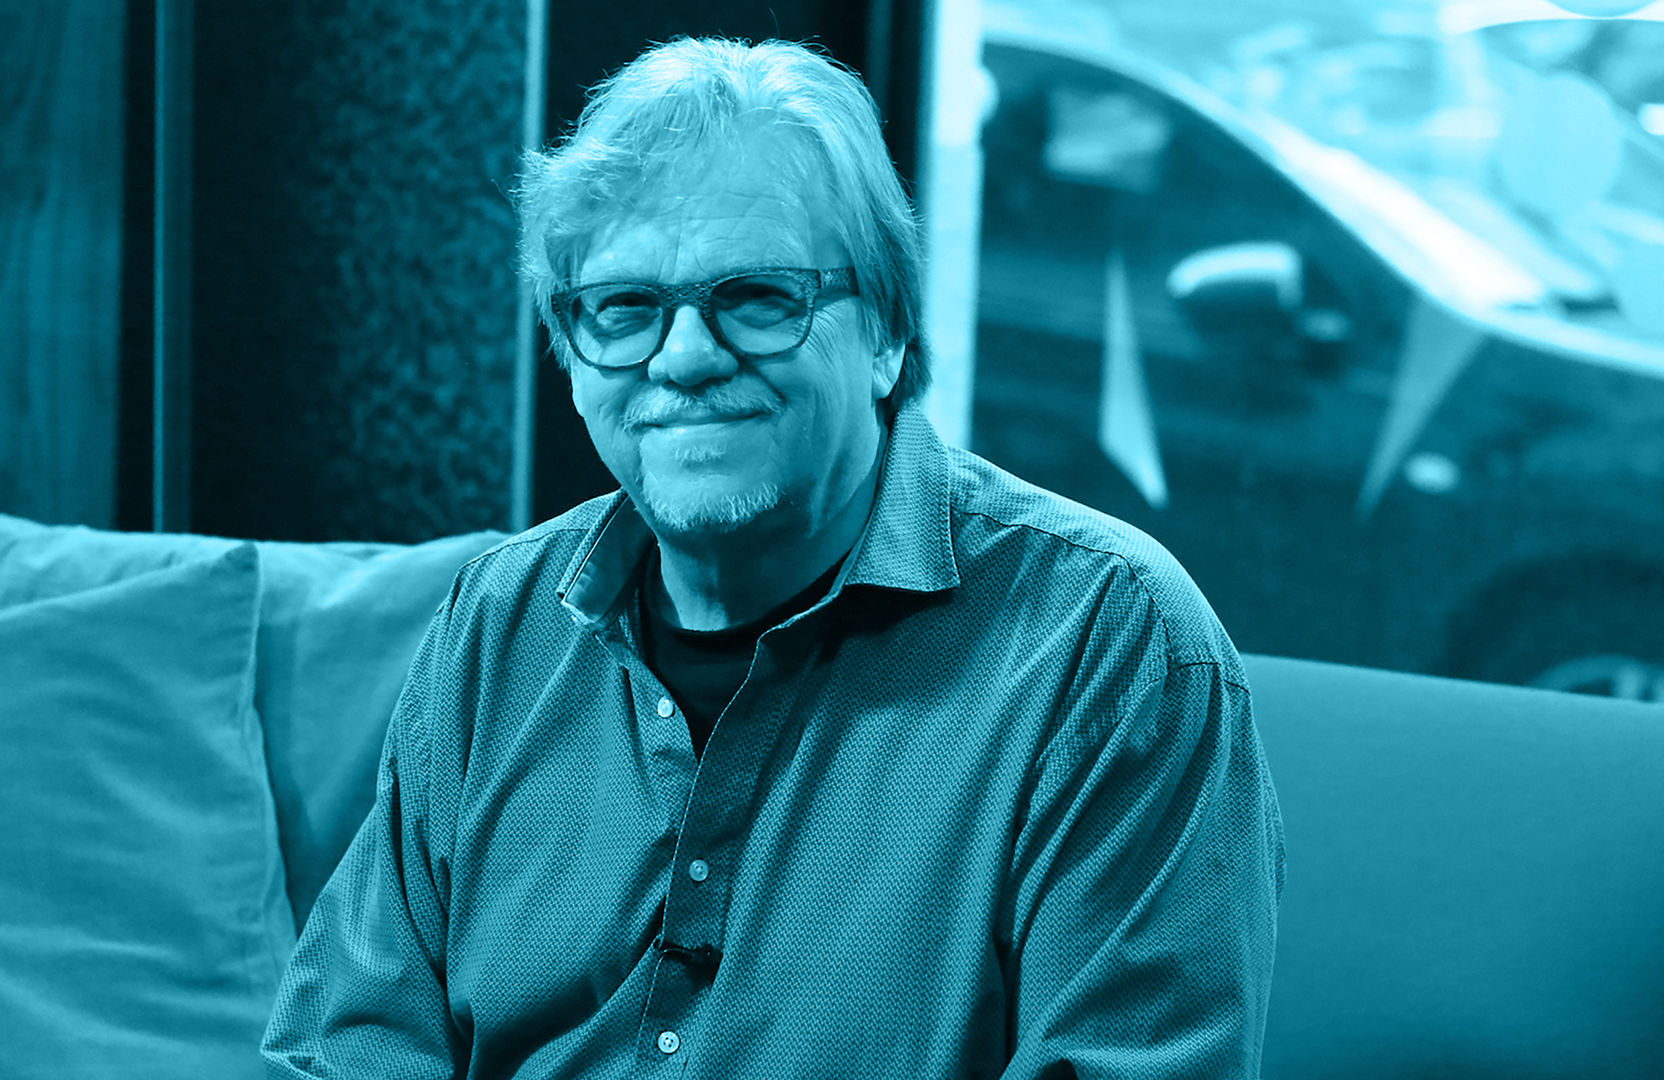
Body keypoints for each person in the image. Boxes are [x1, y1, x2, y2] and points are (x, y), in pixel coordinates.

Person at [262, 36, 1284, 1079]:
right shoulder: (496, 625)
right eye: (625, 307)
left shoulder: (1109, 649)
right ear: (572, 352)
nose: (685, 357)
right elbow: (347, 1048)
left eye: (757, 296)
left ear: (885, 332)